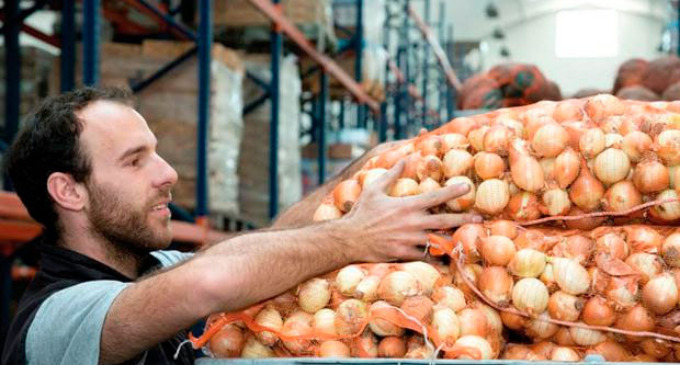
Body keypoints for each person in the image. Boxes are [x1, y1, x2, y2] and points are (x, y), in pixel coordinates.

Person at [1, 87, 479, 365]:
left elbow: (268, 246)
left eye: (157, 152)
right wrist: (353, 236)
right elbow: (211, 279)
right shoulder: (53, 320)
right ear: (69, 191)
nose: (167, 173)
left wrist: (364, 167)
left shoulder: (151, 268)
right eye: (134, 162)